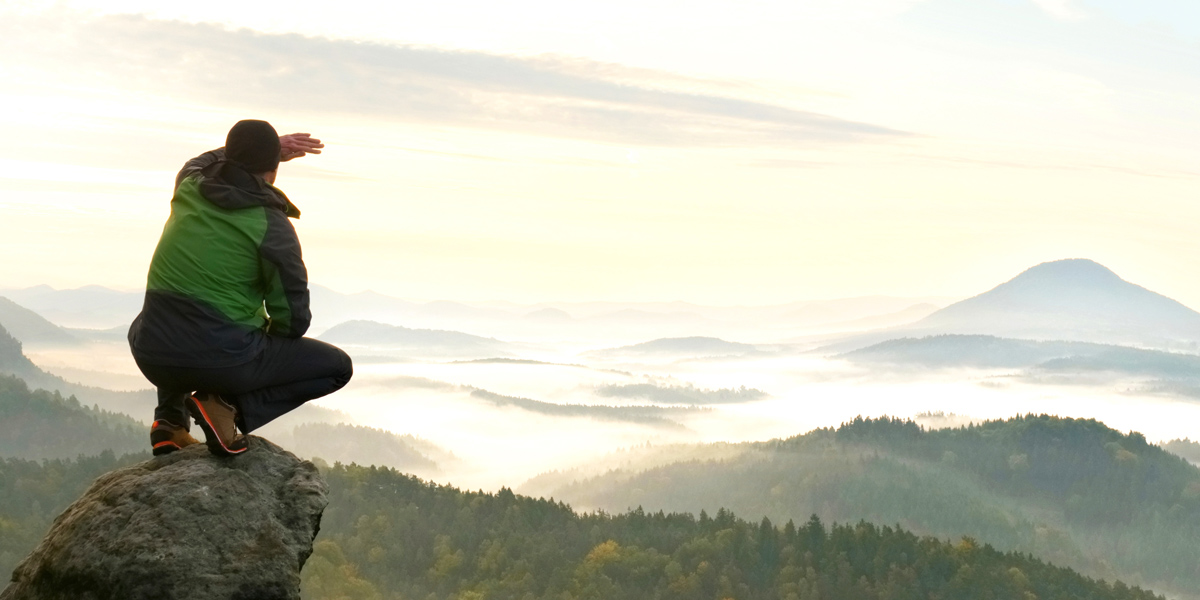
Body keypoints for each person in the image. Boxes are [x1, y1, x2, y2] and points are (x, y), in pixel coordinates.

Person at [128, 120, 353, 457]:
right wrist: (257, 341)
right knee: (338, 368)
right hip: (222, 361)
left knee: (168, 313)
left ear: (230, 155)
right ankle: (225, 408)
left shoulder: (190, 185)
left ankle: (169, 423)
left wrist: (269, 145)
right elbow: (293, 321)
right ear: (274, 169)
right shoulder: (272, 226)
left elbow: (200, 161)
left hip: (151, 354)